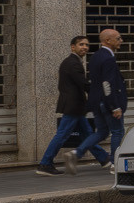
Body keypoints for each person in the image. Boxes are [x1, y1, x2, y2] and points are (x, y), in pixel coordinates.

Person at [35, 36, 94, 175]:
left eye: (86, 45)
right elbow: (83, 83)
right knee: (62, 135)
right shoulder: (73, 63)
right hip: (73, 106)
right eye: (81, 44)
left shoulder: (72, 62)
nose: (85, 47)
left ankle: (104, 159)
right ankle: (45, 163)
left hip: (76, 106)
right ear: (73, 47)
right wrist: (97, 93)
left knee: (88, 135)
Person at [82, 28, 127, 168]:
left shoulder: (95, 56)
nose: (121, 41)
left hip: (97, 102)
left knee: (101, 132)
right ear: (108, 40)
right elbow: (107, 84)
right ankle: (114, 163)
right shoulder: (108, 58)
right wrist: (115, 106)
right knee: (117, 132)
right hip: (108, 103)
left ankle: (76, 153)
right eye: (118, 38)